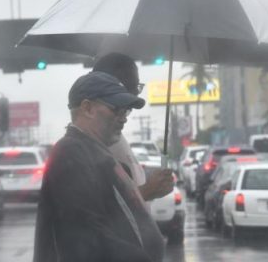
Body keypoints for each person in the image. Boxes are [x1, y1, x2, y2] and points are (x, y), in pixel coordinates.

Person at [33, 71, 165, 262]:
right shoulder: (71, 153)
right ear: (87, 108)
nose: (124, 118)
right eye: (116, 109)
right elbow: (86, 237)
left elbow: (114, 216)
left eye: (125, 111)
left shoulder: (96, 152)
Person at [92, 52, 175, 201]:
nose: (137, 92)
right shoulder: (88, 149)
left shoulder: (113, 136)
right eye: (132, 85)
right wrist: (146, 192)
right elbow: (98, 208)